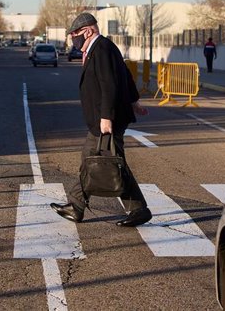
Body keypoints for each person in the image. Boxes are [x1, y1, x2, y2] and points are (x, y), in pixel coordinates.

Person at [50, 12, 152, 227]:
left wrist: (107, 116)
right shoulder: (101, 48)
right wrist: (134, 101)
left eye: (75, 33)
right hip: (103, 118)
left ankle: (138, 209)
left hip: (107, 119)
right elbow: (125, 74)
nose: (73, 38)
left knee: (111, 163)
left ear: (87, 30)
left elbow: (110, 84)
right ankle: (76, 205)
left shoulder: (102, 48)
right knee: (91, 159)